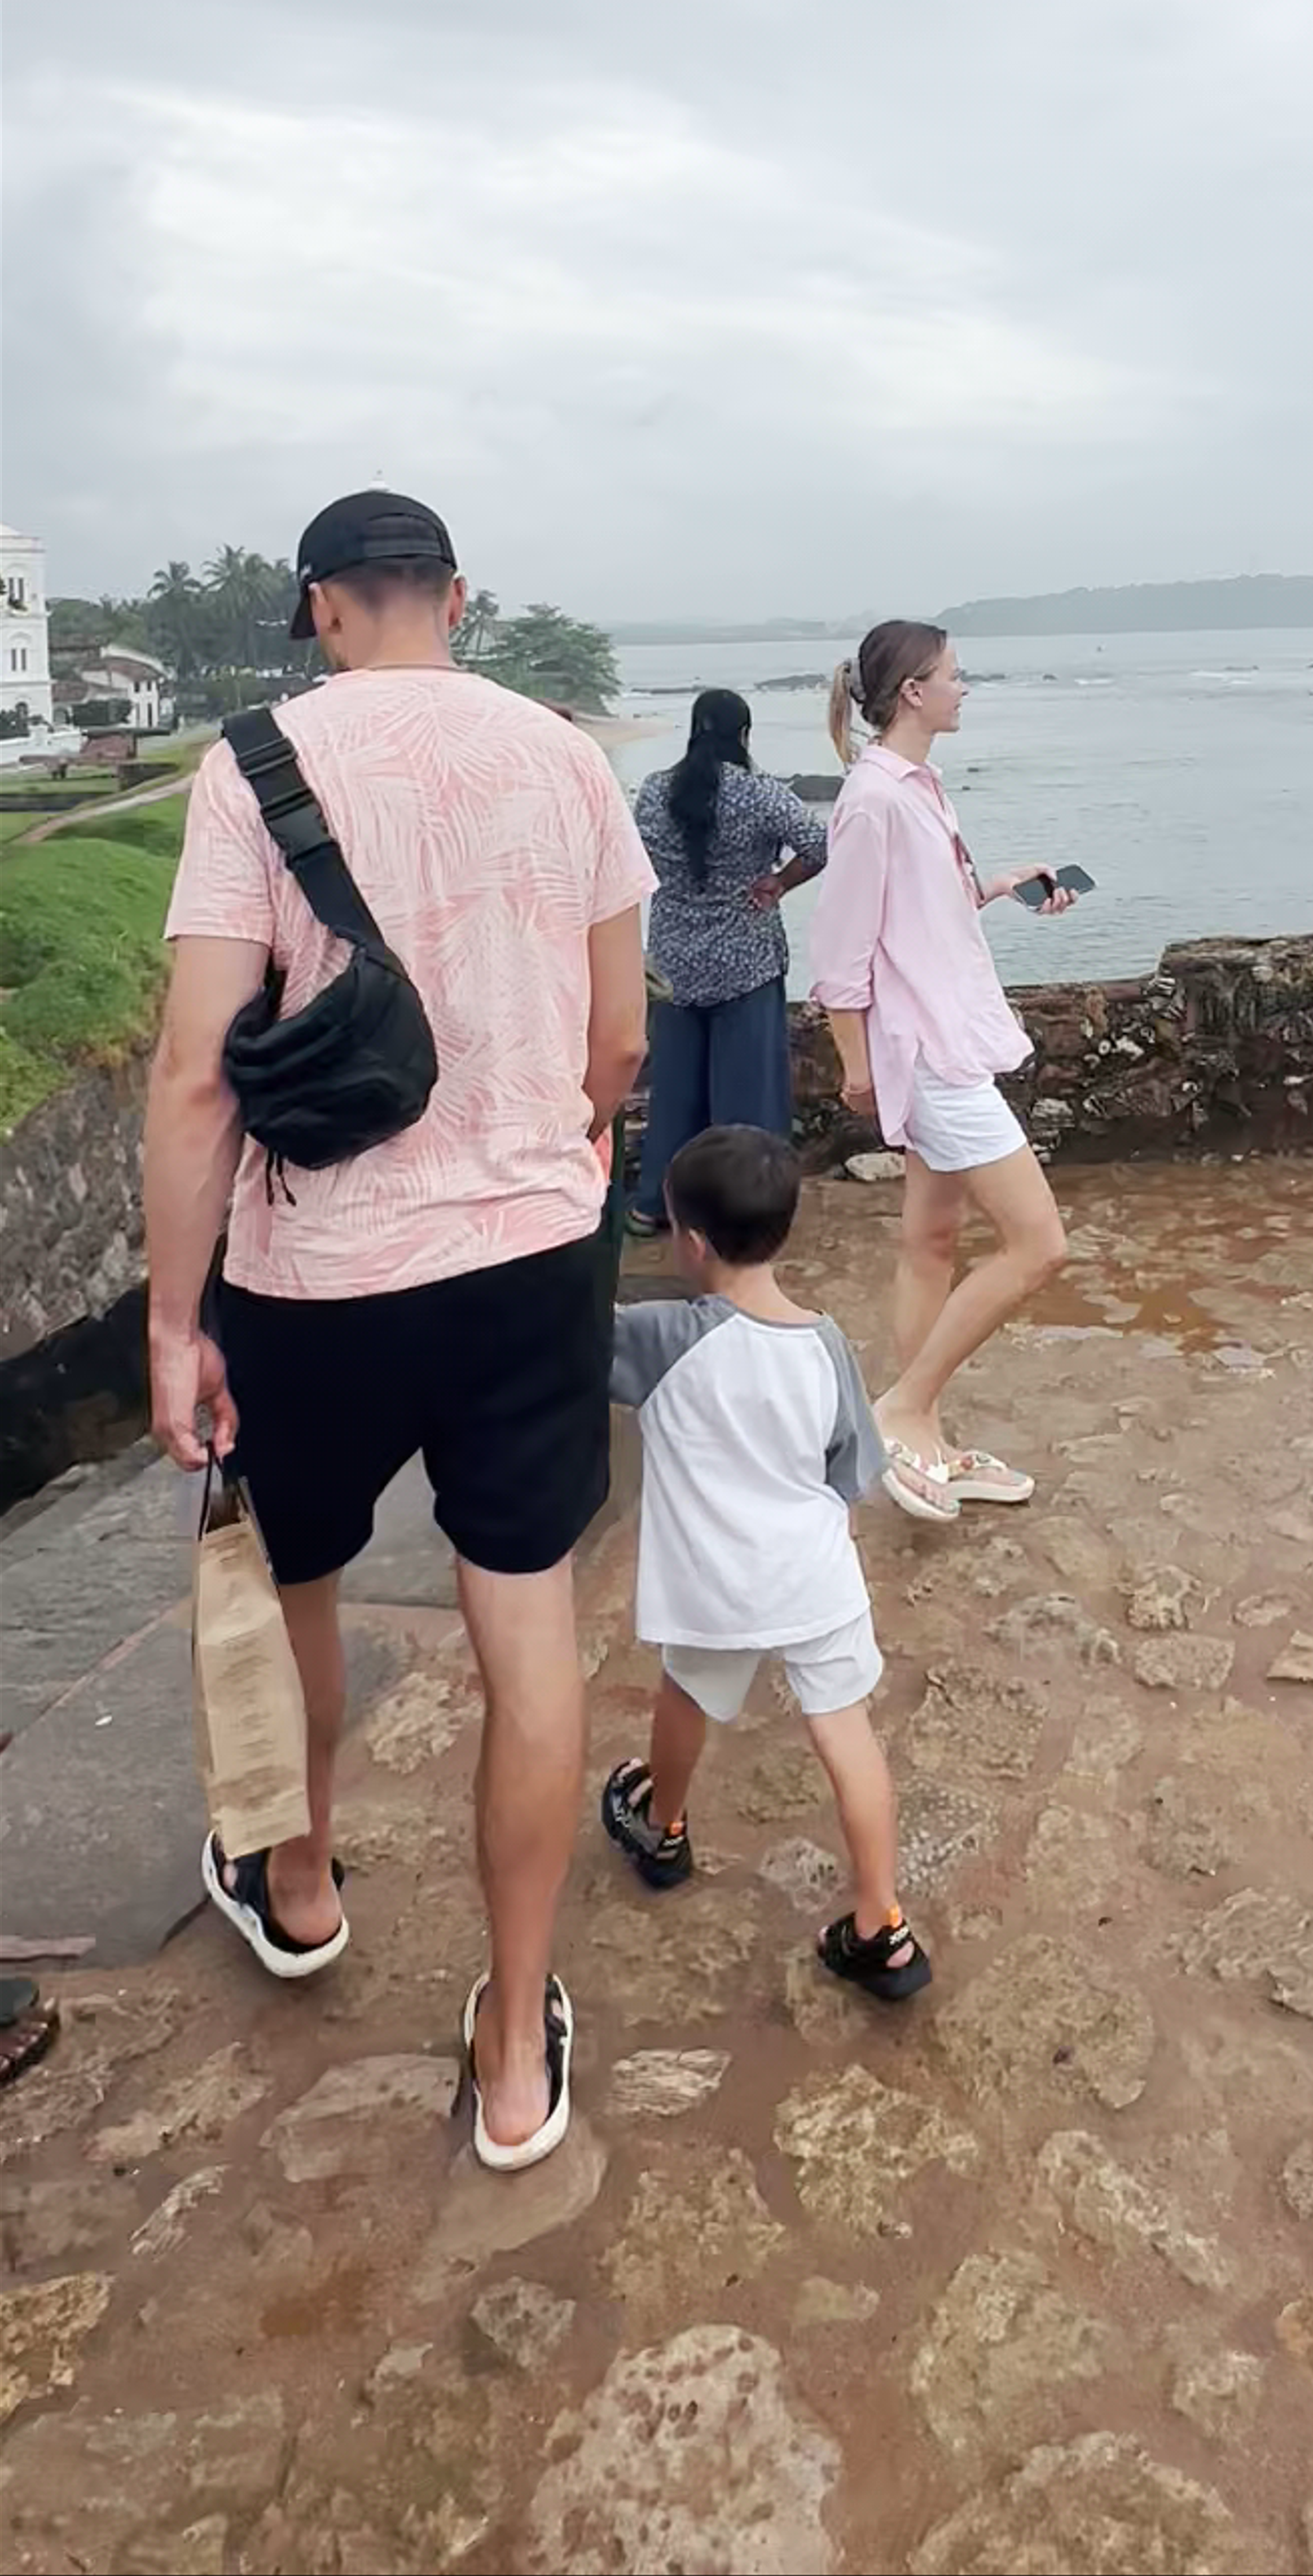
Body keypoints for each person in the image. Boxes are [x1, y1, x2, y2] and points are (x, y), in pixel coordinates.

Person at [146, 491, 653, 2172]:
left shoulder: (251, 765)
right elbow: (619, 1038)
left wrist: (170, 1319)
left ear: (320, 606)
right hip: (526, 1258)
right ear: (457, 595)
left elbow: (195, 1072)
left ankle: (299, 1886)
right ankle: (513, 2045)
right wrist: (569, 1150)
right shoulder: (566, 756)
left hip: (315, 1276)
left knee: (298, 1582)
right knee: (525, 1633)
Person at [600, 1125, 930, 2000]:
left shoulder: (662, 1336)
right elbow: (852, 1468)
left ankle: (662, 1823)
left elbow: (566, 1337)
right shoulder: (823, 1341)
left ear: (693, 1242)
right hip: (815, 1578)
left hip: (715, 1587)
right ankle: (881, 1923)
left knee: (688, 1694)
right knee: (846, 1733)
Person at [806, 619, 1073, 1524]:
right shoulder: (874, 798)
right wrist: (855, 1069)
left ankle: (927, 1442)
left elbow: (925, 908)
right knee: (1040, 1244)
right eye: (956, 676)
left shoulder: (918, 787)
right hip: (931, 1058)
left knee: (929, 1244)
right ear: (914, 691)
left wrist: (999, 883)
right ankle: (902, 1409)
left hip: (947, 1039)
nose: (966, 688)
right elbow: (840, 953)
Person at [627, 689, 828, 1224]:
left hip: (673, 962)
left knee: (673, 1094)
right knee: (748, 1099)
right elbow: (819, 843)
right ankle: (743, 1212)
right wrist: (780, 882)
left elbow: (628, 857)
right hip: (746, 961)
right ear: (744, 735)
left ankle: (655, 1204)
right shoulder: (761, 794)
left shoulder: (653, 793)